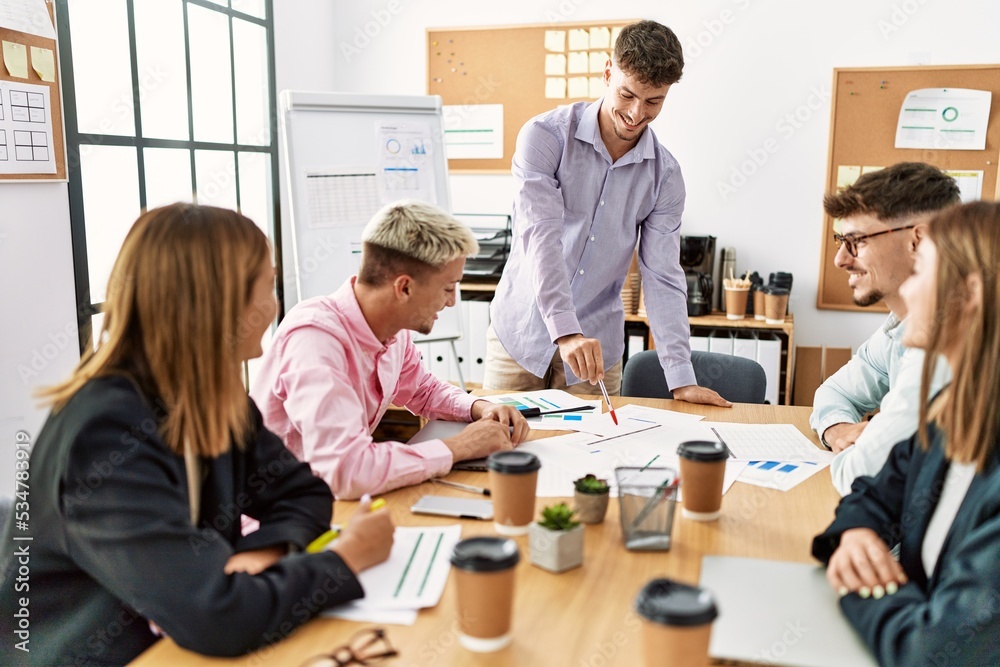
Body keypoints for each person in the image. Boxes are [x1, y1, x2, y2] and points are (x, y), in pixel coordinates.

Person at [0, 204, 394, 666]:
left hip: (175, 641)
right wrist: (345, 560)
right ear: (216, 301)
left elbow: (302, 491)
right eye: (266, 286)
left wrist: (266, 551)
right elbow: (216, 617)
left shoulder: (212, 395)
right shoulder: (103, 433)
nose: (274, 305)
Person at [483, 19, 727, 407]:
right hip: (520, 335)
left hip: (597, 350)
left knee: (592, 459)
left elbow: (662, 276)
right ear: (608, 72)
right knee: (500, 452)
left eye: (653, 101)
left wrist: (680, 377)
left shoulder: (665, 176)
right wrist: (565, 332)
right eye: (627, 95)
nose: (636, 113)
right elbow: (541, 238)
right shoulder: (545, 137)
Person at [812, 201, 1000, 666]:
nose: (907, 293)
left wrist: (860, 585)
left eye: (921, 274)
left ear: (969, 294)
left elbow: (928, 651)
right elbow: (872, 494)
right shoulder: (951, 414)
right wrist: (856, 534)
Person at [250, 200, 528, 501]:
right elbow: (346, 470)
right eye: (449, 287)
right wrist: (461, 447)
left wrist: (479, 408)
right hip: (282, 509)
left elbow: (422, 389)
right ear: (404, 287)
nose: (451, 302)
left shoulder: (392, 330)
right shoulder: (315, 340)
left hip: (331, 499)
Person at [810, 162, 957, 495]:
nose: (840, 260)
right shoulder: (897, 330)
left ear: (918, 241)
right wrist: (837, 429)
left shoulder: (949, 346)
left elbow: (861, 475)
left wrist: (863, 448)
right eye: (840, 240)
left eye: (856, 241)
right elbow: (835, 393)